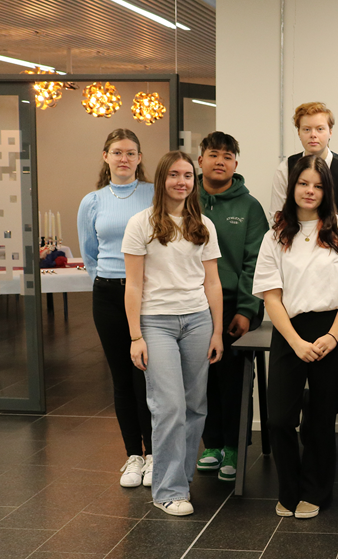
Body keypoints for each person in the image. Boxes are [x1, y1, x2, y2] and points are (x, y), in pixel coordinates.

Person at [254, 154, 338, 520]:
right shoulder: (275, 235)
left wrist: (333, 335)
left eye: (317, 185)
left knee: (319, 421)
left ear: (327, 191)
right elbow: (271, 296)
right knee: (280, 419)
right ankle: (289, 489)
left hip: (332, 331)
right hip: (289, 331)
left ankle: (316, 492)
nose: (310, 191)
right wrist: (296, 342)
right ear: (292, 188)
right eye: (303, 184)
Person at [122, 151, 223, 517]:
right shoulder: (141, 223)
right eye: (174, 175)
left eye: (188, 176)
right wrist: (136, 336)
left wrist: (217, 332)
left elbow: (213, 282)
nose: (182, 182)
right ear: (161, 179)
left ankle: (180, 480)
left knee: (196, 406)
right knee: (170, 407)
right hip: (156, 322)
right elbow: (132, 285)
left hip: (198, 321)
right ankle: (167, 491)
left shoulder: (203, 225)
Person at [77, 129, 156, 489]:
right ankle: (133, 456)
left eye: (131, 153)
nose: (124, 158)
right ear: (105, 156)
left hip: (147, 293)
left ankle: (155, 453)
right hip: (108, 293)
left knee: (148, 375)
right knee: (122, 378)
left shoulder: (154, 194)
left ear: (140, 159)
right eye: (117, 152)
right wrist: (109, 281)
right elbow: (89, 253)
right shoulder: (91, 201)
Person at [194, 132, 268, 483]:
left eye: (227, 156)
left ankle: (235, 447)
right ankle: (211, 444)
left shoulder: (249, 206)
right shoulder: (185, 198)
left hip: (234, 306)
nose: (220, 161)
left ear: (236, 164)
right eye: (213, 154)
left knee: (234, 380)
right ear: (200, 161)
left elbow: (257, 262)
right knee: (200, 377)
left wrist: (247, 309)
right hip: (192, 306)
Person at [270, 102, 338, 221]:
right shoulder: (285, 169)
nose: (313, 135)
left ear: (330, 132)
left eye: (320, 129)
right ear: (299, 133)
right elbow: (276, 216)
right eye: (306, 129)